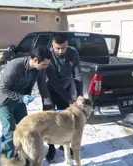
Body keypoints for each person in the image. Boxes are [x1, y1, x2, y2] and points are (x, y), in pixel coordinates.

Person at [0, 46, 53, 160]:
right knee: (9, 130)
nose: (46, 66)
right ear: (35, 60)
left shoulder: (39, 70)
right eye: (44, 64)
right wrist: (22, 98)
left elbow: (43, 88)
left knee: (26, 128)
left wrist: (49, 108)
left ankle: (23, 155)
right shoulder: (15, 66)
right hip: (4, 100)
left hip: (19, 100)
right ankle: (8, 159)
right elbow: (3, 89)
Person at [43, 32, 83, 162]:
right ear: (52, 45)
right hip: (49, 89)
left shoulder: (73, 53)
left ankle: (64, 144)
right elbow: (53, 82)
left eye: (63, 48)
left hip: (65, 87)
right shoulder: (48, 55)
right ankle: (51, 147)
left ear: (67, 45)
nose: (60, 51)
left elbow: (77, 74)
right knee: (50, 119)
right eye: (57, 48)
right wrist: (69, 99)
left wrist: (79, 95)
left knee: (65, 119)